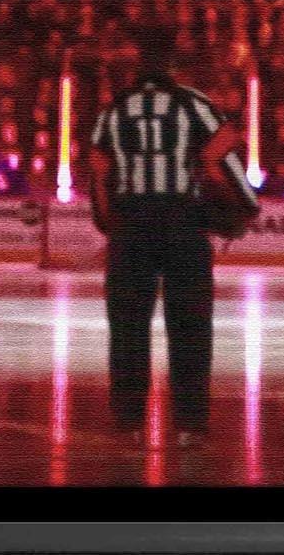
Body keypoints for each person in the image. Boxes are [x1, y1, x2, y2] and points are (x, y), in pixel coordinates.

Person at [90, 35, 257, 442]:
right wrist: (245, 206)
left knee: (128, 325)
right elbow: (222, 150)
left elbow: (98, 170)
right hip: (182, 222)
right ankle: (190, 423)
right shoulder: (193, 104)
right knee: (191, 326)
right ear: (173, 69)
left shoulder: (114, 110)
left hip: (131, 224)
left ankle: (128, 421)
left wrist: (109, 223)